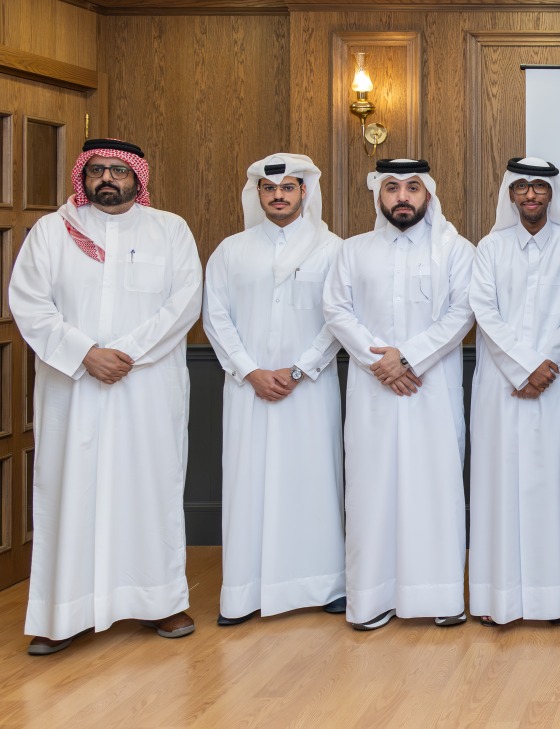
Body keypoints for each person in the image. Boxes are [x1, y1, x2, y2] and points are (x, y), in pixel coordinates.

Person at [10, 138, 202, 655]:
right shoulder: (53, 231)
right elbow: (29, 302)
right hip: (73, 386)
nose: (108, 179)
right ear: (83, 175)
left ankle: (159, 601)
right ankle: (61, 613)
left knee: (150, 488)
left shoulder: (170, 229)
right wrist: (85, 352)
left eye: (118, 170)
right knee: (70, 488)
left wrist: (126, 353)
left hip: (148, 384)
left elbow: (185, 302)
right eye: (97, 170)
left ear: (138, 176)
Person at [322, 159, 475, 630]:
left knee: (436, 488)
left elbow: (463, 312)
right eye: (392, 188)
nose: (402, 197)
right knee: (372, 491)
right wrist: (380, 363)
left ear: (428, 194)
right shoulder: (352, 251)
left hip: (432, 390)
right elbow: (336, 309)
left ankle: (441, 597)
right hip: (374, 393)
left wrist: (407, 357)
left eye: (412, 187)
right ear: (378, 195)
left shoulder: (455, 250)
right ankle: (371, 600)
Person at [203, 153, 346, 626]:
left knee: (314, 481)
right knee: (248, 483)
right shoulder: (231, 250)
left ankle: (324, 585)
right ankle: (244, 592)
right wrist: (250, 371)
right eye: (269, 188)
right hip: (248, 391)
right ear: (258, 194)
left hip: (309, 389)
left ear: (305, 192)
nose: (278, 195)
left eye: (288, 187)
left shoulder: (332, 248)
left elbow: (339, 318)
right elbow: (216, 316)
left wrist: (300, 369)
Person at [468, 157, 560, 626]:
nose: (531, 195)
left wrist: (546, 365)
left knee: (555, 484)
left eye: (540, 187)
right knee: (500, 486)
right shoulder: (490, 247)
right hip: (502, 388)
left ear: (552, 193)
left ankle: (558, 593)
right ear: (512, 195)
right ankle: (497, 597)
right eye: (522, 188)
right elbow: (484, 310)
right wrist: (524, 368)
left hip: (559, 385)